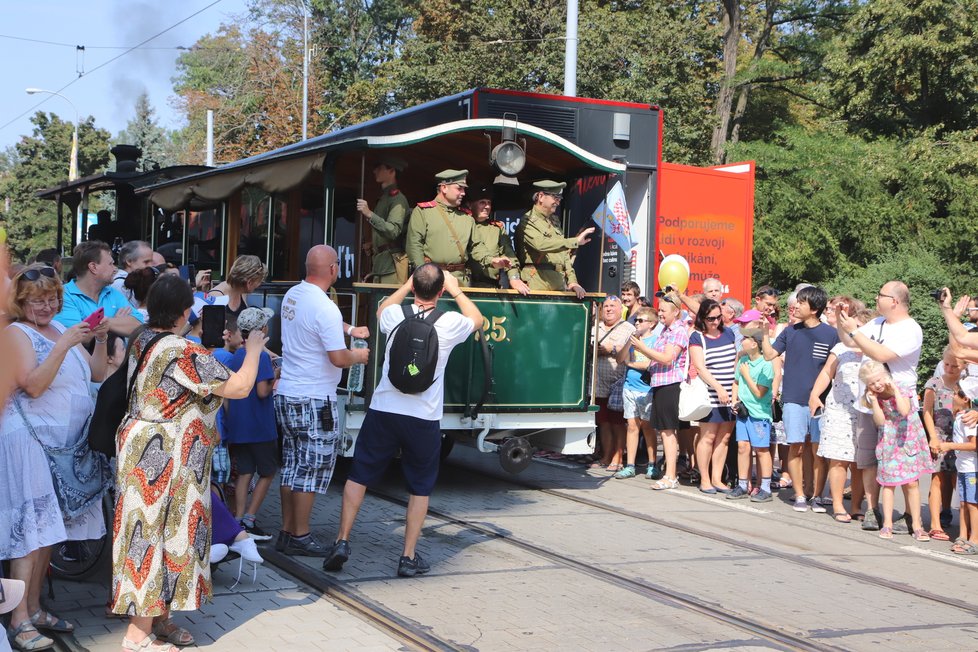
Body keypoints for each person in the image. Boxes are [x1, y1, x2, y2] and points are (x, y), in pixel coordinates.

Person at [110, 274, 266, 651]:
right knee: (151, 535)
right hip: (164, 454)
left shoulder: (143, 339)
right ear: (184, 312)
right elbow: (240, 387)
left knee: (162, 534)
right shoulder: (181, 350)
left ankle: (159, 619)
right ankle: (137, 634)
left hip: (145, 447)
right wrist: (255, 347)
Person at [323, 263, 482, 577]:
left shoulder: (396, 317)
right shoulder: (449, 322)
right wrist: (457, 290)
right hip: (423, 417)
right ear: (440, 291)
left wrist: (407, 285)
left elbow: (384, 307)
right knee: (420, 487)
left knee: (359, 476)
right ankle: (408, 556)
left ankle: (341, 541)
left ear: (415, 287)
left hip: (384, 409)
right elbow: (478, 320)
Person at [1, 264, 110, 652]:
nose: (45, 307)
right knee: (29, 534)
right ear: (21, 302)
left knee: (49, 532)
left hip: (60, 448)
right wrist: (64, 344)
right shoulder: (16, 333)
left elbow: (95, 375)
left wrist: (98, 340)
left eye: (50, 299)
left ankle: (33, 608)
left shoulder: (59, 330)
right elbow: (31, 386)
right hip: (28, 444)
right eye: (35, 301)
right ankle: (17, 620)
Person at [274, 245, 370, 557]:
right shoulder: (326, 307)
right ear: (333, 269)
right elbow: (339, 357)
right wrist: (359, 355)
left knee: (292, 465)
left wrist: (350, 328)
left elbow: (318, 323)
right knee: (312, 469)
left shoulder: (295, 294)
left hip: (288, 391)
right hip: (315, 398)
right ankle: (301, 535)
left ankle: (287, 531)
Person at [839, 281, 923, 531]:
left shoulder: (910, 329)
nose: (876, 298)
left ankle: (910, 516)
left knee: (904, 462)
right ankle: (873, 510)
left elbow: (883, 355)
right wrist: (841, 322)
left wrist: (855, 332)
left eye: (881, 295)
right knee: (868, 459)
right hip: (870, 401)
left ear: (894, 301)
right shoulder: (876, 323)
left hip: (899, 406)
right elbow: (851, 342)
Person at [762, 285, 838, 513]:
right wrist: (765, 334)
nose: (795, 306)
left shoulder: (831, 334)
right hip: (793, 398)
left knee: (817, 450)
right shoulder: (790, 331)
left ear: (814, 309)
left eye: (802, 303)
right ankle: (800, 494)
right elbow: (769, 354)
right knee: (795, 446)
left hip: (820, 401)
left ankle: (816, 495)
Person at [809, 308, 872, 522]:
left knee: (859, 463)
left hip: (865, 411)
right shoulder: (840, 348)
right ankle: (837, 505)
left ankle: (856, 505)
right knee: (839, 460)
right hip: (839, 410)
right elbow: (827, 372)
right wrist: (815, 394)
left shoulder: (875, 351)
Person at [860, 360, 934, 541]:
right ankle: (887, 524)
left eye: (878, 380)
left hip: (908, 437)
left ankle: (917, 525)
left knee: (912, 483)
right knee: (888, 483)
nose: (877, 385)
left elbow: (904, 410)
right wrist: (875, 401)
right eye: (872, 383)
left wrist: (895, 390)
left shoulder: (901, 387)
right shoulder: (871, 396)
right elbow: (879, 421)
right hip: (889, 440)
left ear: (885, 375)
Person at [223, 307, 279, 537]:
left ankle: (237, 517)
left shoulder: (237, 355)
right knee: (267, 472)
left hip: (238, 426)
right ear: (263, 330)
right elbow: (263, 391)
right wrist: (276, 374)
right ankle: (250, 518)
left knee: (244, 472)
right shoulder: (262, 356)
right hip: (260, 427)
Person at [636, 294, 689, 490]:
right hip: (660, 383)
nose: (660, 313)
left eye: (663, 310)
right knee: (664, 431)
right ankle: (669, 473)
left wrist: (642, 347)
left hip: (670, 384)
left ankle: (671, 475)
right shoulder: (666, 330)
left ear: (676, 312)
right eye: (659, 310)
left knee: (668, 431)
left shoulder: (678, 331)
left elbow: (667, 358)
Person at [688, 299, 738, 493]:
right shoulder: (697, 337)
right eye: (711, 318)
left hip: (731, 392)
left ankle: (717, 478)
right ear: (703, 318)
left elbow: (734, 359)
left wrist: (733, 388)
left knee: (724, 438)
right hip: (711, 393)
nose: (715, 322)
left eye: (718, 317)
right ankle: (705, 479)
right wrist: (718, 388)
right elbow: (700, 367)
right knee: (708, 437)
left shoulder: (728, 333)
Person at [515, 180, 594, 299]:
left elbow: (564, 255)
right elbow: (541, 245)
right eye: (555, 197)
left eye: (559, 197)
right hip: (537, 281)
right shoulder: (527, 221)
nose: (558, 201)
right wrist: (574, 241)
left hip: (558, 282)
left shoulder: (555, 222)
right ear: (541, 197)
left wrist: (572, 281)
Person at [55, 240, 143, 336]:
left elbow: (139, 327)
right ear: (93, 267)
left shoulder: (112, 293)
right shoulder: (64, 295)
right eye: (110, 264)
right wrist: (116, 322)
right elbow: (79, 337)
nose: (115, 269)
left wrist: (106, 322)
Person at [615, 306, 662, 479]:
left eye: (641, 320)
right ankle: (630, 465)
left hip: (646, 389)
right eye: (636, 320)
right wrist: (630, 341)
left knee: (648, 427)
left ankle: (652, 463)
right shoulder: (633, 340)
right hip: (629, 387)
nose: (637, 323)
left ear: (651, 324)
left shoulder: (656, 341)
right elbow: (620, 359)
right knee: (632, 426)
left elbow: (649, 364)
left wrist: (631, 364)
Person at [405, 170, 475, 285]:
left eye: (464, 189)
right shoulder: (423, 212)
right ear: (444, 188)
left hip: (460, 281)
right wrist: (424, 275)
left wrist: (492, 261)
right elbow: (414, 245)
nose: (463, 193)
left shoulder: (467, 217)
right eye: (459, 188)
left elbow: (477, 247)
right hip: (431, 280)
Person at [729, 328, 775, 501]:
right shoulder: (743, 359)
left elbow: (759, 393)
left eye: (745, 338)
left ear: (755, 343)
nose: (742, 341)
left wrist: (747, 374)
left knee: (761, 449)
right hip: (743, 412)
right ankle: (742, 484)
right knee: (742, 447)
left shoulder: (766, 364)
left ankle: (765, 487)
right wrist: (734, 400)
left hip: (759, 413)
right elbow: (736, 382)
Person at [922, 347, 963, 540]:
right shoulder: (934, 384)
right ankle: (935, 524)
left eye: (955, 365)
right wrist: (932, 437)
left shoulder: (965, 385)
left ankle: (965, 524)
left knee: (957, 480)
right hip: (939, 436)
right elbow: (927, 411)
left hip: (960, 439)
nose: (950, 368)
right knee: (937, 478)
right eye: (946, 364)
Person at [593, 295, 635, 472]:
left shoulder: (628, 328)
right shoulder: (596, 327)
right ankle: (606, 455)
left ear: (620, 310)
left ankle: (618, 458)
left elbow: (629, 350)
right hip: (597, 384)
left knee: (618, 423)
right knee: (603, 422)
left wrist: (613, 349)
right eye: (606, 306)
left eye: (613, 306)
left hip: (617, 383)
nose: (609, 309)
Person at [465, 187, 530, 295]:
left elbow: (509, 254)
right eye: (482, 202)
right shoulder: (462, 224)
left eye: (489, 203)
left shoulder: (496, 228)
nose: (487, 206)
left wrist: (514, 277)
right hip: (463, 285)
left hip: (489, 287)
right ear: (470, 205)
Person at [359, 156, 410, 284]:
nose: (375, 171)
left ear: (392, 171)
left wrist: (370, 214)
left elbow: (393, 231)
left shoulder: (397, 199)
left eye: (380, 168)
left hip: (391, 264)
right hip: (381, 263)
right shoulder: (385, 198)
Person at [942, 386, 978, 554]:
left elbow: (973, 445)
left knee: (972, 503)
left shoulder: (968, 419)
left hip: (972, 468)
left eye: (956, 394)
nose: (953, 395)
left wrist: (949, 445)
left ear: (966, 399)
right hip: (962, 467)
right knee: (963, 503)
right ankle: (963, 535)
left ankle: (974, 539)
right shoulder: (959, 417)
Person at [208, 254, 267, 319]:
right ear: (249, 283)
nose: (259, 285)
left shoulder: (242, 292)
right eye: (259, 281)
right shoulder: (216, 297)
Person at [111, 240, 154, 309]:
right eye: (146, 262)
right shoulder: (120, 284)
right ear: (129, 261)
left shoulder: (139, 281)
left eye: (152, 262)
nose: (151, 266)